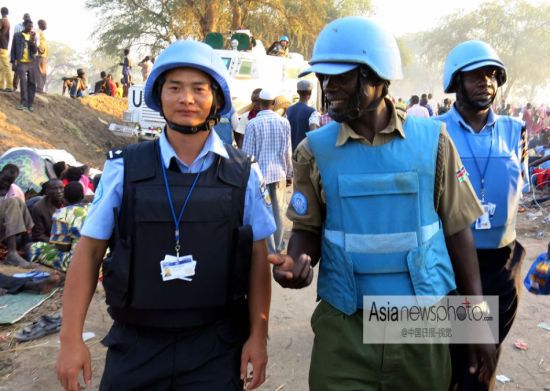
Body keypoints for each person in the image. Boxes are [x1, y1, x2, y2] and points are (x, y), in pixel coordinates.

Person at [269, 17, 495, 390]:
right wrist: (295, 264)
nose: (329, 87)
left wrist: (475, 323)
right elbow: (308, 231)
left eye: (342, 77)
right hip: (345, 325)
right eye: (325, 77)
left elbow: (458, 233)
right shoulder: (313, 151)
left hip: (422, 322)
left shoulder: (433, 141)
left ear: (378, 76)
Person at [56, 39, 275, 391]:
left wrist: (258, 339)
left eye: (198, 89)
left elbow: (257, 259)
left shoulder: (243, 172)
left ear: (216, 99)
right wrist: (70, 340)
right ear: (159, 95)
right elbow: (89, 251)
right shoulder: (123, 169)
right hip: (136, 346)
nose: (186, 99)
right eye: (175, 88)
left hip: (217, 348)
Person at [435, 40, 529, 391]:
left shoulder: (514, 130)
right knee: (458, 360)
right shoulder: (435, 130)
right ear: (456, 81)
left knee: (483, 363)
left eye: (492, 75)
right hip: (451, 261)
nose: (485, 82)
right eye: (475, 75)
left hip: (503, 265)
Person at [243, 88, 292, 254]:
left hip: (259, 177)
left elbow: (248, 155)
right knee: (278, 212)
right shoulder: (284, 122)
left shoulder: (252, 124)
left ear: (259, 104)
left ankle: (268, 249)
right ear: (273, 104)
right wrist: (289, 173)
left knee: (263, 212)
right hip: (278, 174)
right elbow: (287, 151)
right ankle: (278, 247)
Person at [29, 182, 90, 272]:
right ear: (82, 196)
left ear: (64, 197)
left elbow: (62, 247)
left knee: (33, 247)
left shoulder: (62, 213)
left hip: (78, 263)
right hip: (98, 261)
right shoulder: (92, 208)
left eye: (61, 188)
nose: (58, 192)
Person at [0, 164, 34, 267]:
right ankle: (12, 254)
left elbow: (20, 214)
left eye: (9, 181)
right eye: (4, 179)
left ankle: (24, 245)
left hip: (7, 231)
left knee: (17, 200)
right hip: (5, 229)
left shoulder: (15, 190)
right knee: (12, 202)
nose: (6, 183)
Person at [10, 19, 36, 111]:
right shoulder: (17, 36)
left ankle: (30, 104)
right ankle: (23, 103)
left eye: (32, 27)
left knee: (32, 83)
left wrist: (32, 42)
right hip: (21, 62)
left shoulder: (33, 36)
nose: (31, 28)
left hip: (31, 63)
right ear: (24, 26)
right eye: (29, 26)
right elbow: (13, 49)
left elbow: (34, 51)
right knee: (23, 82)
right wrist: (13, 62)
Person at [286, 79, 320, 151]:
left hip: (291, 151)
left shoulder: (289, 110)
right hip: (304, 153)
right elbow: (313, 134)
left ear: (298, 92)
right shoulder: (312, 111)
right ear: (310, 93)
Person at [30, 179, 64, 243]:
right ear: (47, 191)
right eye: (54, 188)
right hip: (51, 242)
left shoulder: (68, 202)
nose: (59, 191)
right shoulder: (39, 208)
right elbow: (38, 235)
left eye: (61, 188)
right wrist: (58, 242)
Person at [11, 13, 31, 92]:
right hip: (20, 52)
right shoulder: (18, 27)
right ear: (23, 18)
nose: (27, 18)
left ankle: (26, 90)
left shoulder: (31, 29)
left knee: (29, 74)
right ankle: (15, 87)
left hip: (28, 55)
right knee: (17, 72)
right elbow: (15, 40)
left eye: (28, 17)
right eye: (26, 17)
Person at [0, 7, 12, 92]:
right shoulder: (8, 21)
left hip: (1, 46)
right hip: (4, 46)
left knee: (6, 67)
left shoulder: (2, 21)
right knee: (3, 67)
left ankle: (9, 86)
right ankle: (1, 85)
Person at [35, 19, 47, 94]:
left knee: (43, 73)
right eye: (45, 24)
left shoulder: (41, 32)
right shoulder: (38, 32)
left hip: (43, 56)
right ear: (40, 24)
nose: (46, 25)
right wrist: (39, 50)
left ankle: (41, 88)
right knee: (40, 72)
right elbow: (36, 43)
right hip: (40, 55)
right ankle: (39, 88)